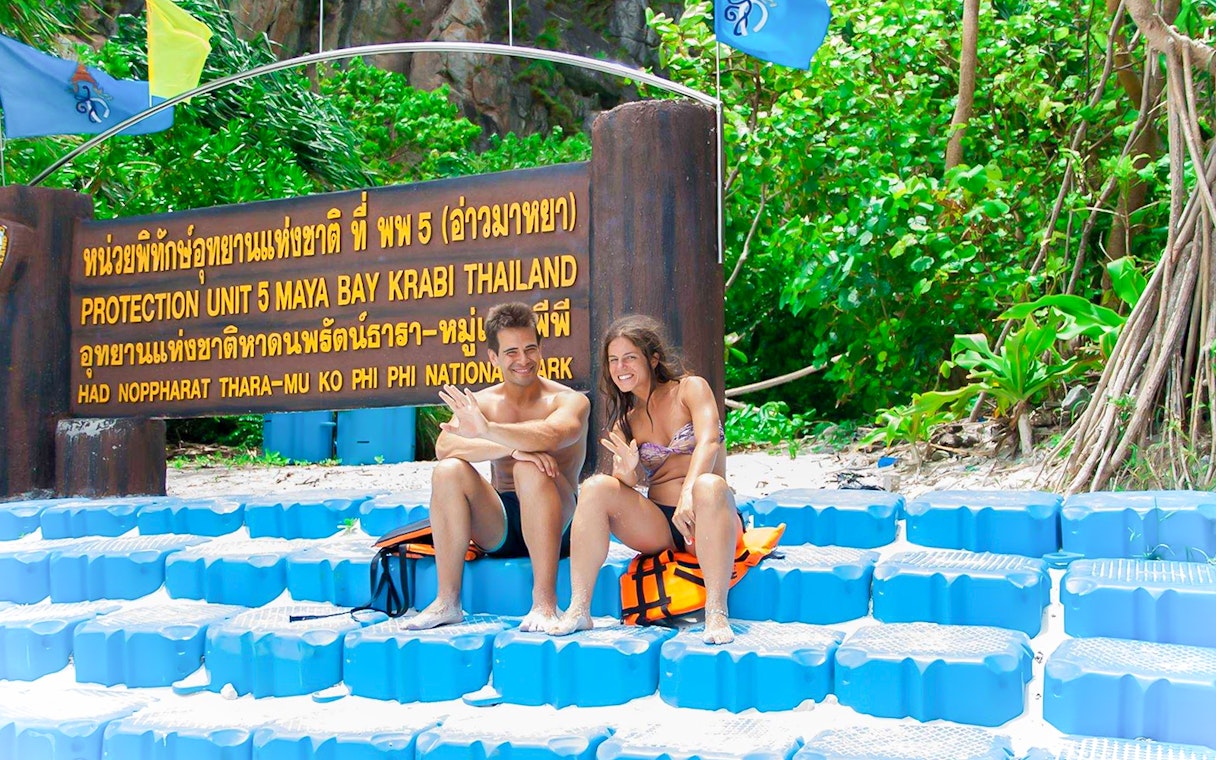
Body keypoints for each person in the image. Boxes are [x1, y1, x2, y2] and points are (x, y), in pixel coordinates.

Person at [546, 315, 742, 645]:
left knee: (708, 485)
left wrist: (689, 495)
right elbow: (628, 482)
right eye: (613, 360)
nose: (620, 367)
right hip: (662, 526)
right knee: (595, 487)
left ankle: (716, 612)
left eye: (629, 357)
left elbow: (709, 440)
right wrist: (625, 471)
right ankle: (579, 609)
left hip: (710, 514)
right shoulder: (627, 420)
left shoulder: (690, 389)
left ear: (652, 358)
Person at [405, 302, 590, 632]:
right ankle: (447, 601)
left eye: (531, 349)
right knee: (447, 471)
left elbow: (554, 433)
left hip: (559, 523)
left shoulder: (568, 400)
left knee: (529, 469)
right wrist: (512, 446)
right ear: (493, 357)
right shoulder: (485, 403)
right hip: (500, 522)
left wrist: (490, 433)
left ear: (541, 349)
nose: (524, 360)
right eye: (512, 352)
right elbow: (445, 447)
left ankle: (545, 603)